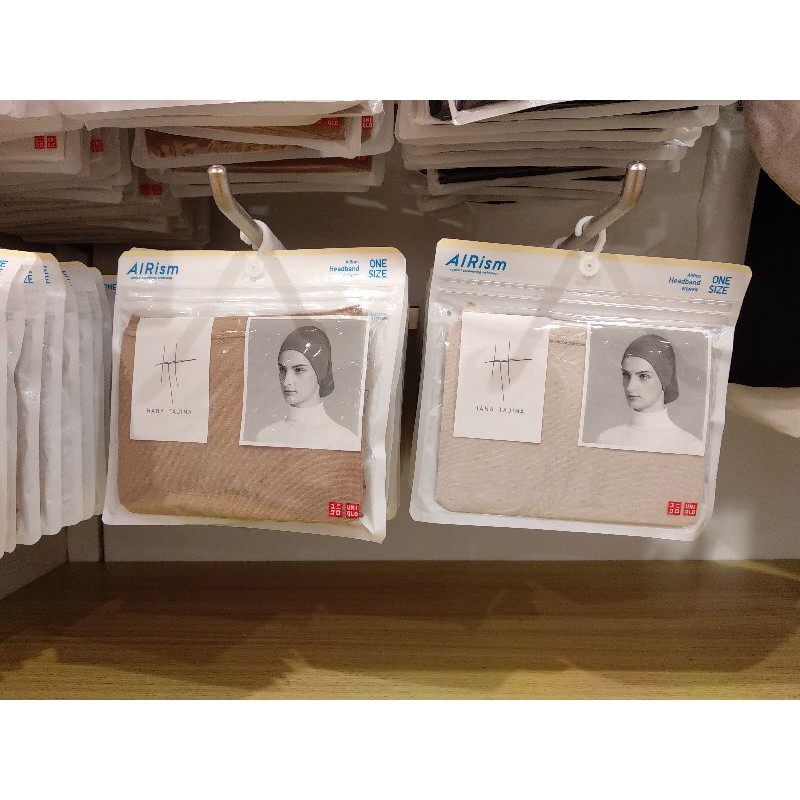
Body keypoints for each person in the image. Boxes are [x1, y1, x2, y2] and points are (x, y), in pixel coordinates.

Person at [254, 325, 361, 451]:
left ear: (320, 372)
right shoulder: (265, 437)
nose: (286, 381)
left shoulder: (346, 442)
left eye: (299, 370)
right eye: (283, 369)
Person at [595, 333, 704, 455]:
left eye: (643, 376)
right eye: (626, 375)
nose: (630, 387)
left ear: (665, 377)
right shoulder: (606, 440)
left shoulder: (690, 447)